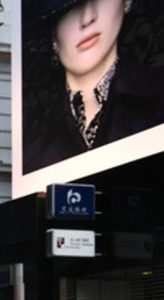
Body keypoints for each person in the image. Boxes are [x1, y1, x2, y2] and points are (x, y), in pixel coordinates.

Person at [23, 0, 164, 173]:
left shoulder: (156, 99)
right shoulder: (34, 139)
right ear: (52, 33)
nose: (87, 18)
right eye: (69, 8)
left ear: (126, 2)